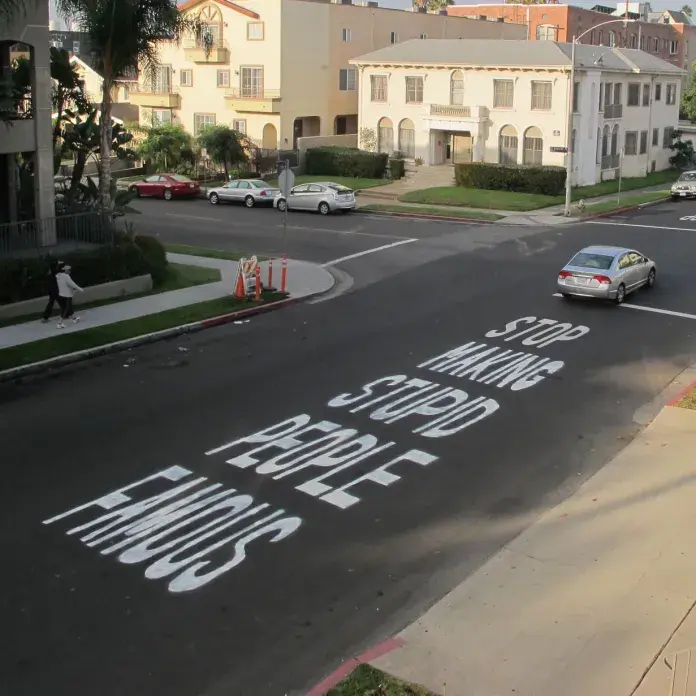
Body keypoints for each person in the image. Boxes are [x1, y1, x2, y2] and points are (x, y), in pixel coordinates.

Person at [55, 264, 83, 329]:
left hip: (61, 294)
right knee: (66, 309)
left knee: (69, 308)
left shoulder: (58, 276)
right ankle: (60, 323)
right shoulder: (66, 276)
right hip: (67, 295)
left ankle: (74, 319)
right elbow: (72, 284)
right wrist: (79, 289)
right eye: (68, 270)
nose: (69, 271)